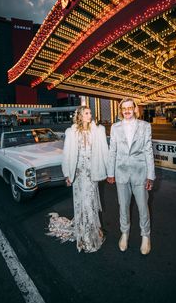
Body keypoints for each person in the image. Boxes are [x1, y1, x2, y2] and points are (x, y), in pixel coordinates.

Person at [47, 105, 108, 253]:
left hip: (92, 173)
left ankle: (92, 230)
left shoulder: (97, 131)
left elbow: (104, 151)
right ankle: (85, 235)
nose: (90, 115)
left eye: (90, 113)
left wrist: (107, 170)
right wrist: (67, 174)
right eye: (86, 113)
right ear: (80, 116)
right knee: (83, 203)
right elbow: (67, 155)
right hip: (79, 173)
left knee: (91, 201)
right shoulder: (72, 132)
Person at [107, 97, 155, 255]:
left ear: (135, 109)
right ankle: (124, 233)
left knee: (142, 207)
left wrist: (150, 175)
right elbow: (112, 150)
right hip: (121, 172)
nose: (127, 111)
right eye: (124, 108)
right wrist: (110, 173)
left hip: (140, 172)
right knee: (123, 205)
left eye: (130, 107)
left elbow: (148, 151)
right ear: (121, 110)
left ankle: (145, 235)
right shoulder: (115, 127)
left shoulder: (145, 126)